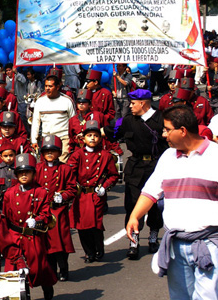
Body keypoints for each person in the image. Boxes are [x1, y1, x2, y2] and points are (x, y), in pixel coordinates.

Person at [126, 105, 218, 300]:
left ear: (183, 130)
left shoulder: (215, 156)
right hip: (176, 246)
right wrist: (135, 216)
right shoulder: (168, 157)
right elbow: (150, 191)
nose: (164, 134)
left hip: (210, 245)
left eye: (167, 130)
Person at [104, 89, 169, 259]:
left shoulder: (162, 119)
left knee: (154, 205)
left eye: (133, 104)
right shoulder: (127, 121)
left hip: (156, 165)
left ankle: (153, 235)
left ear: (143, 103)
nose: (130, 106)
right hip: (135, 167)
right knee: (132, 204)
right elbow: (111, 131)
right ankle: (134, 240)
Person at [2, 153, 57, 300]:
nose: (24, 175)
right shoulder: (9, 193)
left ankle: (47, 284)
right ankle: (20, 299)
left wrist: (37, 221)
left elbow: (46, 214)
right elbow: (5, 217)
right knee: (13, 269)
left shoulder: (41, 192)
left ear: (33, 174)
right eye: (20, 172)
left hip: (33, 236)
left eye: (27, 172)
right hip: (15, 236)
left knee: (38, 268)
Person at [68, 119, 118, 263]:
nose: (92, 138)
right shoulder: (77, 154)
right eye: (89, 135)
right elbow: (69, 172)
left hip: (96, 195)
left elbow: (113, 175)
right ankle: (88, 252)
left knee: (95, 225)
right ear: (83, 138)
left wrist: (104, 187)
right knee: (82, 227)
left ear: (100, 138)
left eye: (95, 135)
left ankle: (98, 248)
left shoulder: (105, 155)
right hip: (81, 195)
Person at [35, 135, 77, 281]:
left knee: (61, 242)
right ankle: (51, 269)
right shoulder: (37, 168)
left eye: (53, 151)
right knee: (46, 243)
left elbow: (72, 188)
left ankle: (64, 268)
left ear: (59, 153)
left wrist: (64, 196)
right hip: (43, 211)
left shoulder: (65, 169)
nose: (50, 154)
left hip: (59, 211)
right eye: (47, 151)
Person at [30, 73, 75, 162]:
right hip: (47, 138)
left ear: (57, 87)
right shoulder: (40, 101)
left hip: (63, 138)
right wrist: (34, 140)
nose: (47, 88)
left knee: (62, 164)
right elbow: (36, 122)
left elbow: (73, 121)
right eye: (46, 86)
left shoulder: (67, 101)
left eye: (50, 86)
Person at [0, 111, 32, 177]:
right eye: (4, 127)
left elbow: (26, 161)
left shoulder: (21, 141)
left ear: (14, 128)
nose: (7, 129)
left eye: (10, 127)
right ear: (0, 127)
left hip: (15, 175)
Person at [0, 140, 18, 213]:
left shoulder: (18, 169)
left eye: (11, 155)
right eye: (5, 156)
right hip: (2, 203)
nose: (8, 158)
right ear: (1, 157)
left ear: (15, 155)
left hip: (16, 201)